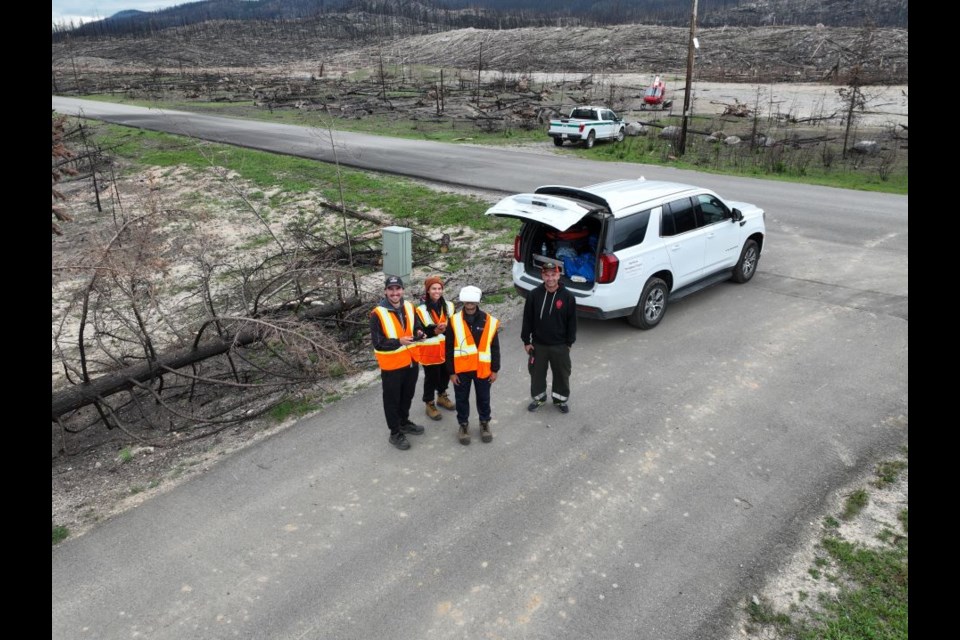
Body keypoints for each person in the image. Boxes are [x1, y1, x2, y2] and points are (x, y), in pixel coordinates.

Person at [370, 275, 440, 450]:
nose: (395, 293)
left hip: (411, 361)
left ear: (402, 290)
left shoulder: (409, 306)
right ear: (386, 291)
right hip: (392, 365)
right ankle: (395, 433)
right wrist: (399, 342)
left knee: (407, 396)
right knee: (392, 400)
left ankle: (404, 422)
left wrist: (419, 333)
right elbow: (378, 342)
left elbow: (416, 325)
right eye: (391, 289)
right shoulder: (377, 313)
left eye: (398, 289)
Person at [445, 285, 500, 445]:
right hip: (461, 370)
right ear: (463, 300)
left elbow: (494, 347)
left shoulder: (488, 321)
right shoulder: (454, 321)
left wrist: (495, 369)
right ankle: (463, 425)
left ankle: (484, 423)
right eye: (467, 300)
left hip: (483, 369)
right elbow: (448, 348)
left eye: (472, 300)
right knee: (461, 399)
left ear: (477, 301)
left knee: (484, 398)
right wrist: (451, 372)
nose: (469, 303)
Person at [521, 261, 577, 414]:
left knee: (562, 374)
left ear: (559, 275)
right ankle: (539, 398)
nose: (550, 278)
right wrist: (526, 341)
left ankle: (560, 400)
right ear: (542, 276)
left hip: (560, 345)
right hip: (538, 345)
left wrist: (569, 343)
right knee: (536, 374)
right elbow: (527, 320)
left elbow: (572, 323)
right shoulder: (533, 295)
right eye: (547, 275)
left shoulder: (568, 297)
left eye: (553, 275)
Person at [415, 276, 457, 421]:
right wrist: (435, 331)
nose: (437, 291)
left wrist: (445, 330)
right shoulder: (420, 310)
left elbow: (454, 326)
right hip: (429, 350)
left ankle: (441, 396)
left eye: (439, 288)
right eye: (434, 288)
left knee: (446, 373)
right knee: (431, 377)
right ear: (427, 290)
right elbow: (419, 330)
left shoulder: (450, 306)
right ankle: (429, 403)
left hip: (446, 348)